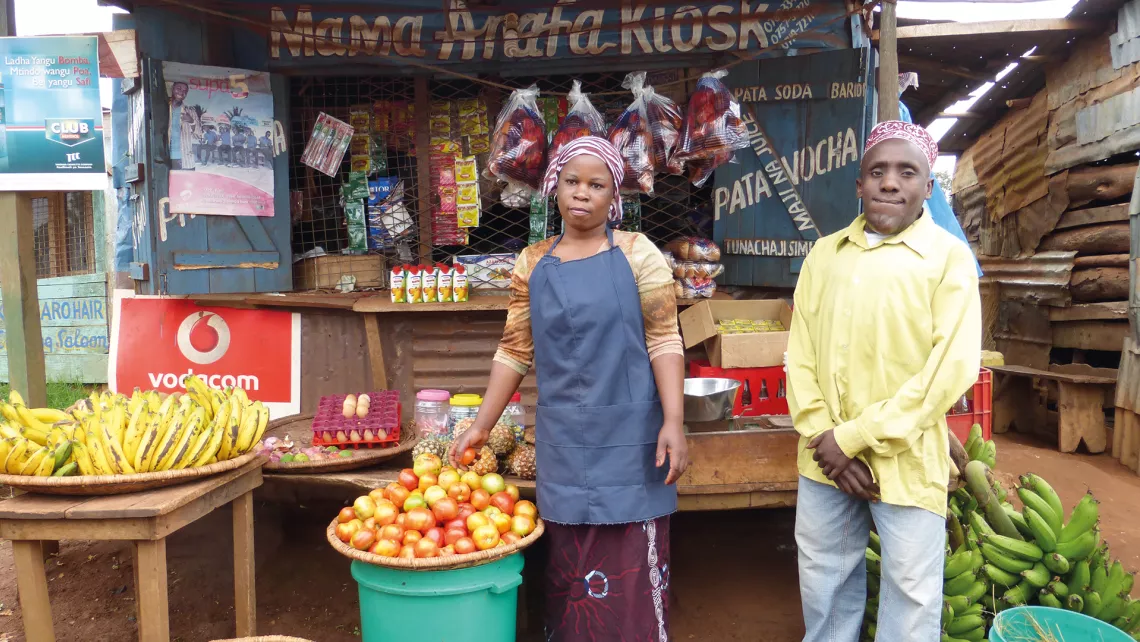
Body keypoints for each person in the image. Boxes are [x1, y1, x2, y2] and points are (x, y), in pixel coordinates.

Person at [449, 136, 688, 642]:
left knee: (630, 569)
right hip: (564, 441)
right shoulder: (531, 262)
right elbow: (514, 350)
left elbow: (664, 338)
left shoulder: (638, 253)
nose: (582, 192)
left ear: (613, 196)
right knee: (571, 574)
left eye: (596, 185)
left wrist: (673, 420)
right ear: (554, 187)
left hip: (633, 438)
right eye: (572, 181)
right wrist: (481, 426)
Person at [786, 120, 981, 642]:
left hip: (906, 458)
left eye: (906, 172)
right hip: (824, 458)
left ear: (929, 187)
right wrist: (824, 436)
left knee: (912, 594)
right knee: (824, 581)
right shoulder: (824, 256)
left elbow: (950, 369)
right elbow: (800, 356)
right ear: (859, 184)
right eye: (877, 171)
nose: (890, 183)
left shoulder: (948, 260)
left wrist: (851, 438)